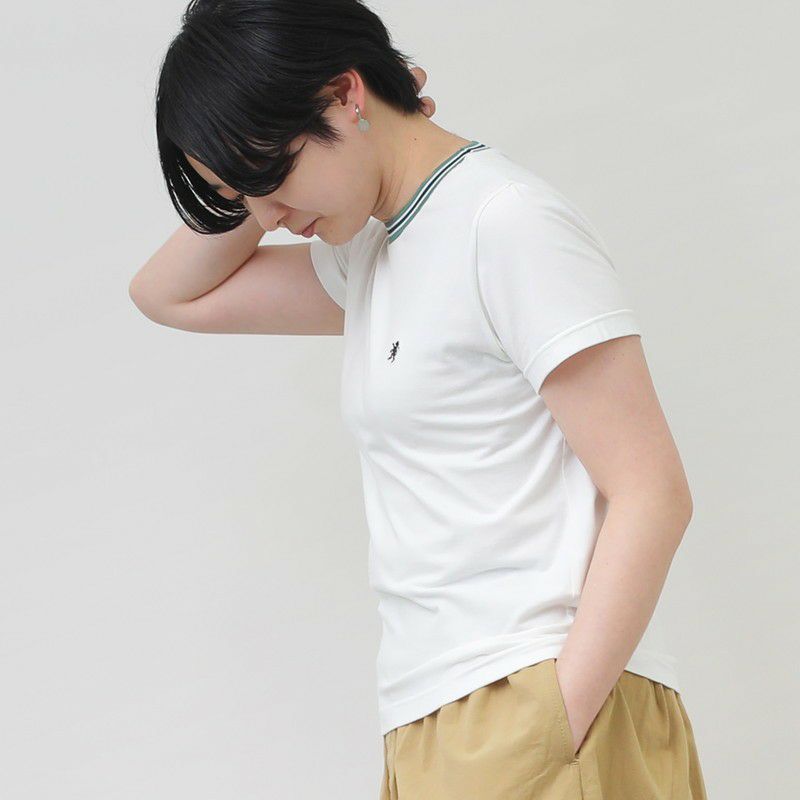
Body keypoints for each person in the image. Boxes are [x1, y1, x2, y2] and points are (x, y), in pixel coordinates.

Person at [129, 1, 709, 797]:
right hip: (432, 715)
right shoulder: (370, 254)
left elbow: (652, 491)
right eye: (241, 196)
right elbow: (167, 295)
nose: (269, 219)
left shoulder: (503, 223)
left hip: (531, 696)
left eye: (271, 175)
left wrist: (554, 725)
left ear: (344, 94)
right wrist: (256, 173)